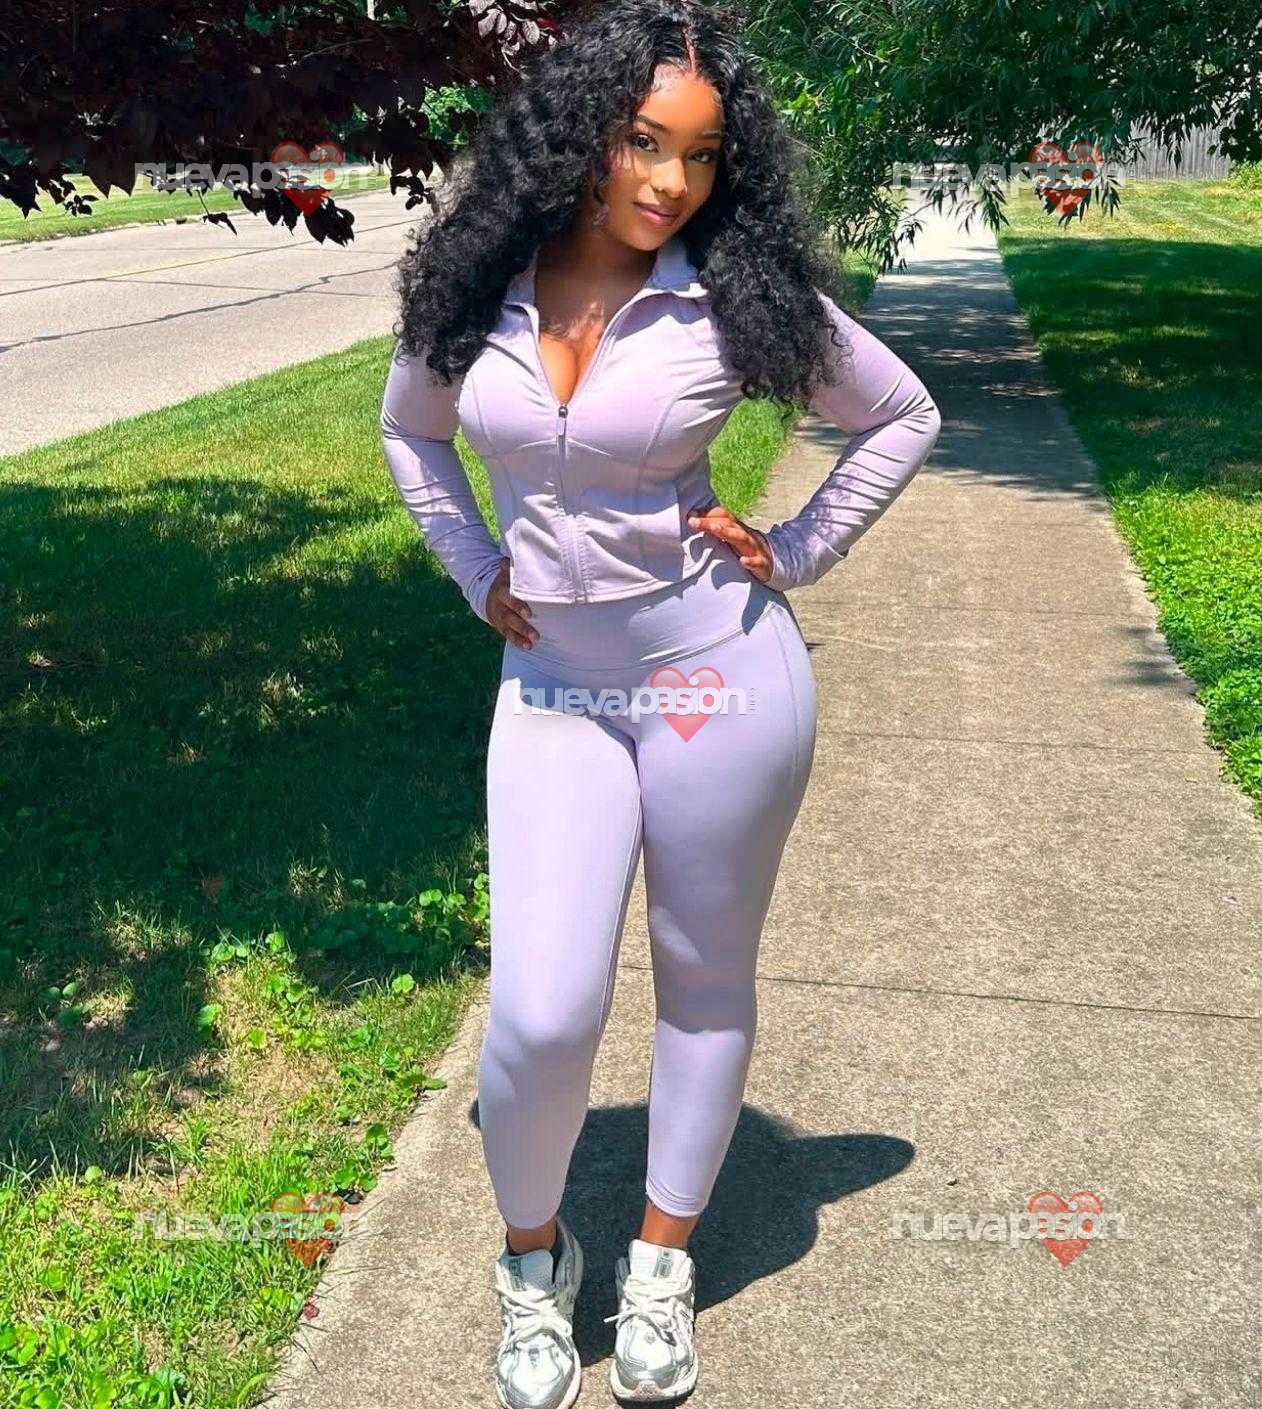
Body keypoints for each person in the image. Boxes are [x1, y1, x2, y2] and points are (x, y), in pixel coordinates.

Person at [380, 2, 942, 1403]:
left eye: (699, 155)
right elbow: (412, 433)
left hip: (716, 677)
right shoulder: (479, 286)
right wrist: (473, 568)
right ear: (581, 132)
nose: (670, 182)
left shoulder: (731, 292)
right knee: (541, 1012)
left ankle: (660, 1261)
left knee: (701, 981)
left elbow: (900, 413)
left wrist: (795, 548)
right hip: (552, 688)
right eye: (643, 141)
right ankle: (533, 1261)